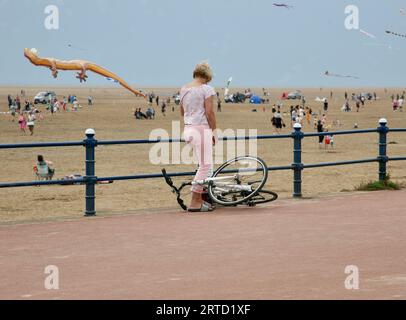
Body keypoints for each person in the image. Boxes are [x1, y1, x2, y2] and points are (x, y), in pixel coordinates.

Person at [180, 61, 217, 212]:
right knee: (205, 166)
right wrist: (214, 131)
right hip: (201, 129)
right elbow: (209, 112)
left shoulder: (184, 89)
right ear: (207, 76)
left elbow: (182, 112)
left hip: (188, 129)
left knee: (202, 165)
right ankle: (195, 202)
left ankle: (201, 198)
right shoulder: (206, 89)